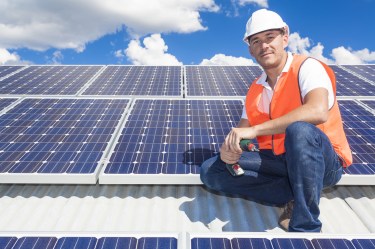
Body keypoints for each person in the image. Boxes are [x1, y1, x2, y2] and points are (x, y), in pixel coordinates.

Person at [200, 9, 352, 232]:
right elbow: (241, 137)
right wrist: (229, 151)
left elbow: (318, 111)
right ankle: (293, 193)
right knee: (211, 170)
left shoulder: (307, 68)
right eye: (256, 41)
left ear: (285, 38)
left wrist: (255, 130)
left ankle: (305, 225)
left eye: (270, 37)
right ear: (250, 49)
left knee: (300, 131)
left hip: (323, 162)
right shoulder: (255, 89)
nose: (264, 46)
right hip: (281, 162)